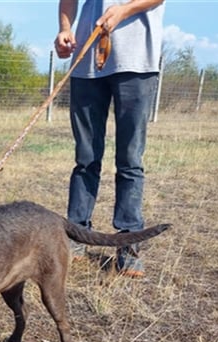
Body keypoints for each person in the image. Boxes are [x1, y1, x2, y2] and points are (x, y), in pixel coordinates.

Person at [55, 0, 165, 277]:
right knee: (85, 158)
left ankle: (129, 243)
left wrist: (124, 10)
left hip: (137, 63)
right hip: (86, 65)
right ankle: (77, 236)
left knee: (130, 159)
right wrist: (65, 28)